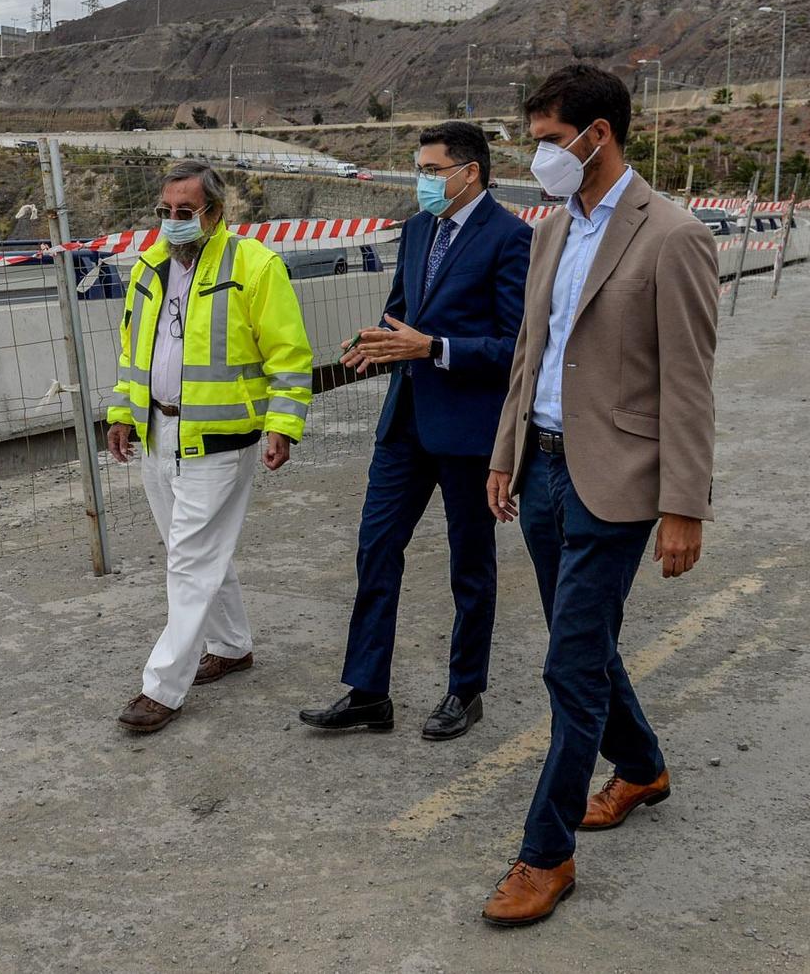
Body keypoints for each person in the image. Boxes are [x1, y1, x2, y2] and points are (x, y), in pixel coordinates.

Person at [479, 63, 719, 927]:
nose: (536, 156)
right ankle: (644, 764)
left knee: (569, 662)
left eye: (546, 141)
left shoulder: (673, 235)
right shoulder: (551, 230)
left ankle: (545, 855)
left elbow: (690, 383)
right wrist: (505, 452)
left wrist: (685, 503)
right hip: (541, 469)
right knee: (585, 642)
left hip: (616, 482)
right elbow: (530, 354)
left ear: (597, 134)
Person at [298, 121, 530, 740]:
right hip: (404, 421)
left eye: (431, 170)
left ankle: (465, 689)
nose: (421, 181)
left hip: (469, 430)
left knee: (469, 564)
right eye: (420, 170)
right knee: (376, 548)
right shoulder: (421, 226)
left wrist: (434, 349)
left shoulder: (511, 238)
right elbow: (401, 309)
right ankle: (368, 690)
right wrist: (377, 342)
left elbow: (516, 347)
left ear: (469, 172)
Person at [105, 159, 314, 734]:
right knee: (192, 549)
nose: (173, 222)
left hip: (221, 440)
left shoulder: (254, 266)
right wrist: (124, 412)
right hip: (158, 432)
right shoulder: (148, 268)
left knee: (189, 561)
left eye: (185, 212)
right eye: (165, 211)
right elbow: (133, 353)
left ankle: (161, 687)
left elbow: (289, 357)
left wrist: (284, 425)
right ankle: (233, 644)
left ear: (215, 213)